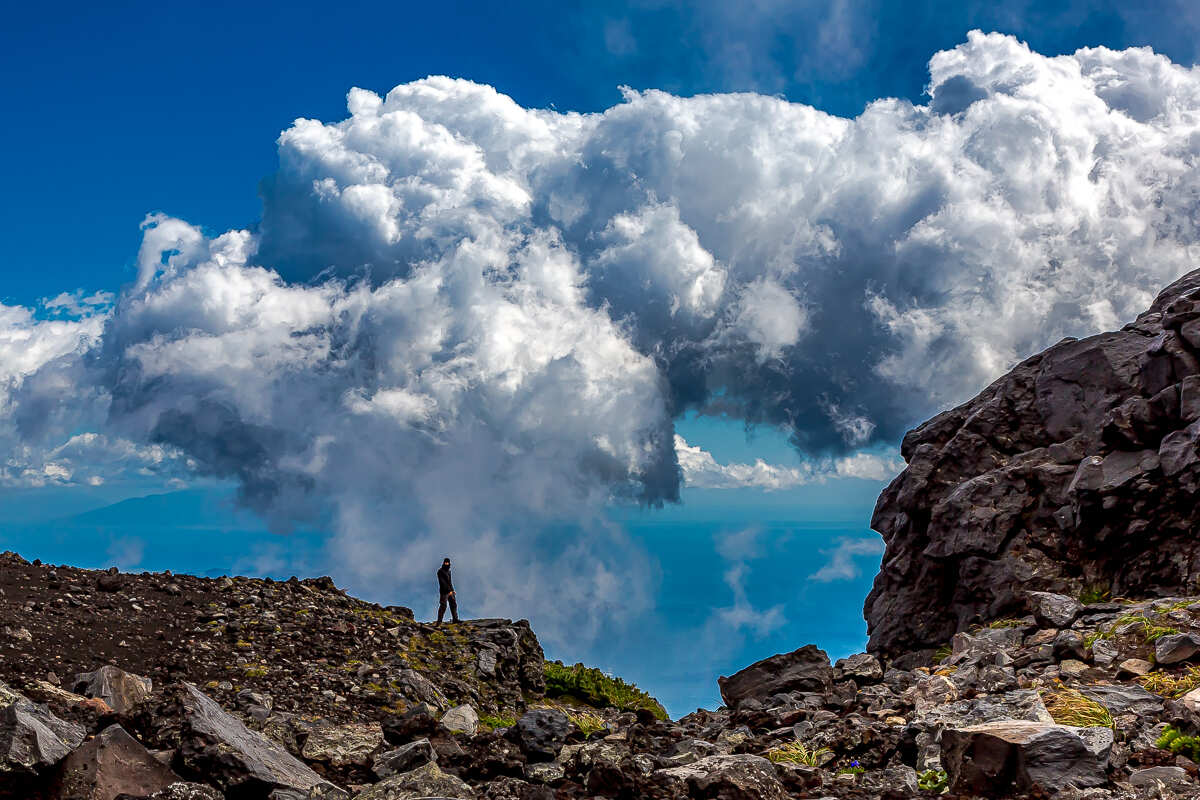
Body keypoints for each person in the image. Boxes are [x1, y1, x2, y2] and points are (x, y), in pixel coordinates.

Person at [437, 557, 460, 624]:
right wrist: (448, 591)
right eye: (445, 562)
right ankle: (439, 622)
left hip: (450, 591)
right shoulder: (440, 571)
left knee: (453, 605)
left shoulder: (449, 571)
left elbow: (450, 582)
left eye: (448, 562)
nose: (446, 563)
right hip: (444, 592)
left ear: (449, 563)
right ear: (443, 563)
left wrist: (452, 590)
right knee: (443, 606)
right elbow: (442, 582)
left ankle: (455, 620)